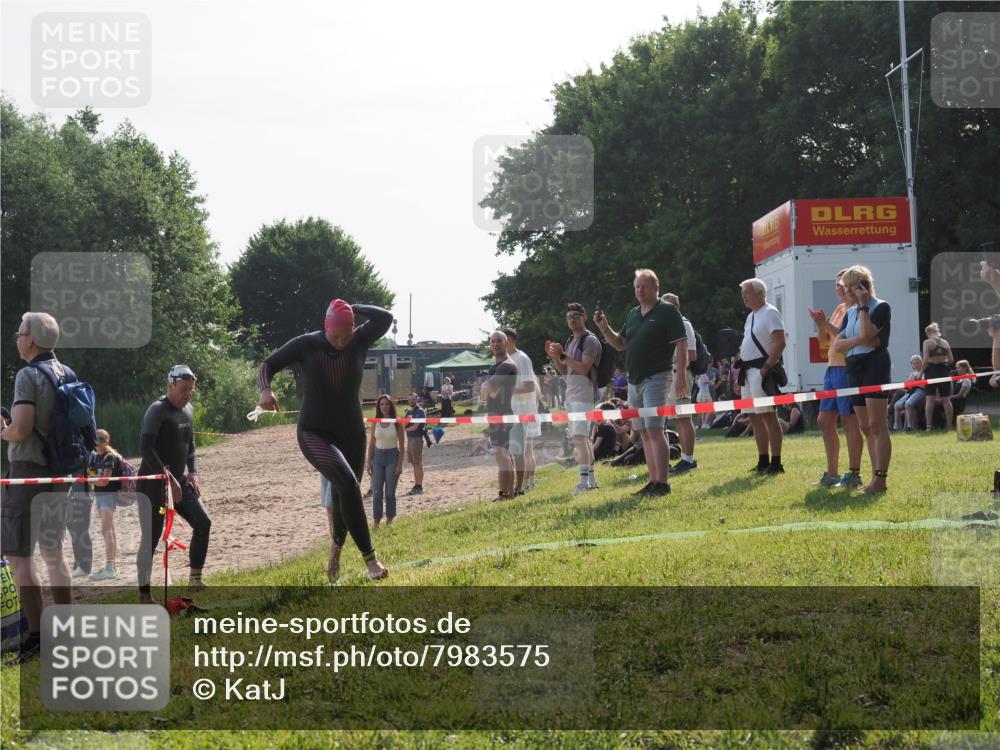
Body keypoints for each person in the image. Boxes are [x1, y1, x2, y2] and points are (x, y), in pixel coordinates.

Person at [258, 299, 390, 582]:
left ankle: (336, 549)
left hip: (352, 432)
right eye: (335, 336)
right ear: (325, 328)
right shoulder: (306, 344)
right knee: (346, 483)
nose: (341, 342)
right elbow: (267, 364)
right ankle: (371, 561)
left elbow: (385, 318)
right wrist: (265, 390)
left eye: (346, 335)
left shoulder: (359, 339)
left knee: (348, 492)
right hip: (314, 432)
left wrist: (354, 308)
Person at [0, 312, 78, 662]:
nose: (17, 338)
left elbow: (22, 429)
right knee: (54, 553)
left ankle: (37, 638)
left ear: (30, 340)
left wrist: (4, 430)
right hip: (60, 473)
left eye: (19, 333)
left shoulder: (27, 375)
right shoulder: (68, 373)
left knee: (19, 556)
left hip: (28, 470)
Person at [594, 269, 688, 497]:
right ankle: (653, 480)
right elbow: (620, 344)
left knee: (655, 430)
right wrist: (604, 327)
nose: (639, 290)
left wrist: (682, 376)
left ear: (656, 288)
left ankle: (663, 483)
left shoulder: (667, 311)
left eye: (643, 286)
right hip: (634, 381)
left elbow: (682, 344)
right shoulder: (634, 313)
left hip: (657, 377)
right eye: (636, 286)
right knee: (643, 433)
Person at [136, 365, 213, 603]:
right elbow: (145, 449)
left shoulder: (188, 410)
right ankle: (145, 594)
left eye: (190, 389)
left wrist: (193, 473)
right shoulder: (157, 410)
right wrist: (167, 477)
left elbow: (189, 446)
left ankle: (195, 579)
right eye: (183, 389)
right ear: (170, 386)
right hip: (154, 486)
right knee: (151, 537)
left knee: (203, 522)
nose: (187, 394)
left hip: (179, 482)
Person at [832, 265, 892, 494]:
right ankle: (875, 475)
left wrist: (864, 306)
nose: (846, 291)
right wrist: (859, 340)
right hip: (854, 367)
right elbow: (838, 346)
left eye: (850, 286)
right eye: (844, 286)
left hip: (874, 365)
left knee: (877, 424)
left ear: (863, 286)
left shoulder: (880, 307)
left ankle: (880, 478)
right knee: (865, 425)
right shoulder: (849, 313)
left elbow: (869, 336)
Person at [807, 271, 865, 489]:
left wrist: (826, 324)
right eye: (837, 286)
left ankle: (854, 473)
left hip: (845, 369)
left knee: (849, 421)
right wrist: (820, 324)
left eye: (842, 285)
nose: (839, 289)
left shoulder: (856, 310)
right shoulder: (840, 309)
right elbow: (824, 340)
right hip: (831, 369)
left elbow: (845, 337)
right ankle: (832, 474)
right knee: (824, 421)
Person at [546, 304, 603, 494]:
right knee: (583, 439)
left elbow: (583, 368)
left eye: (576, 316)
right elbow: (566, 371)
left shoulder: (590, 340)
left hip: (584, 395)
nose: (572, 320)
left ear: (584, 317)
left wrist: (563, 355)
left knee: (580, 439)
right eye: (569, 316)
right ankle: (591, 480)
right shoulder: (570, 340)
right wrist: (556, 358)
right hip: (572, 395)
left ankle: (583, 483)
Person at [737, 278, 787, 475]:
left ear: (759, 293)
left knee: (768, 416)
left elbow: (779, 342)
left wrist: (766, 368)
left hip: (761, 370)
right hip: (748, 372)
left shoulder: (770, 312)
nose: (744, 297)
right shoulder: (751, 316)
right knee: (754, 417)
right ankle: (763, 460)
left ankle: (776, 462)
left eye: (747, 293)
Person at [661, 293, 698, 475]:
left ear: (677, 306)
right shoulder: (668, 325)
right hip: (670, 374)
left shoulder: (684, 324)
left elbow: (692, 354)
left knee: (683, 418)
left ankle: (689, 459)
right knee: (676, 419)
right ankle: (686, 457)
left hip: (680, 373)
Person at [480, 331, 518, 501]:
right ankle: (508, 495)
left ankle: (504, 496)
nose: (495, 344)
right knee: (505, 456)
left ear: (506, 342)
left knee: (502, 457)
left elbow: (489, 388)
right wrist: (486, 389)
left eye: (499, 341)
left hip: (502, 416)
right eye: (493, 341)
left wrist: (485, 388)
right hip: (497, 415)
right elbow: (491, 392)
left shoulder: (507, 365)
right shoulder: (496, 366)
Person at [503, 328, 540, 495]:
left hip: (524, 410)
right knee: (521, 450)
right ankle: (527, 484)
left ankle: (525, 484)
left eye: (501, 340)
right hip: (512, 411)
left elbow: (530, 385)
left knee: (525, 451)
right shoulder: (506, 359)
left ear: (509, 340)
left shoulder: (522, 358)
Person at [366, 395, 405, 529]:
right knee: (376, 492)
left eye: (387, 404)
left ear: (391, 405)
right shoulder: (375, 421)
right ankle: (376, 522)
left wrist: (400, 464)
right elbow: (371, 443)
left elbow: (402, 444)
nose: (384, 406)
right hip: (377, 457)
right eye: (382, 404)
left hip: (392, 456)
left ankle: (389, 520)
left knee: (389, 492)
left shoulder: (397, 421)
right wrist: (368, 462)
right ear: (378, 406)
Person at [88, 429, 123, 580]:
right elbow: (91, 475)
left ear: (107, 441)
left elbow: (104, 481)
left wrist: (93, 479)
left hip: (108, 496)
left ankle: (110, 567)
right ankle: (111, 566)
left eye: (101, 439)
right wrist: (94, 479)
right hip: (100, 496)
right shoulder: (95, 457)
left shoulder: (110, 457)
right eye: (96, 439)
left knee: (107, 530)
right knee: (109, 530)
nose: (98, 441)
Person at [920, 322, 955, 431]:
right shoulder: (945, 342)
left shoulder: (927, 342)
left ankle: (929, 427)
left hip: (932, 371)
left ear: (928, 333)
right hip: (944, 370)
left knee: (930, 399)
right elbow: (951, 360)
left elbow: (925, 359)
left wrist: (920, 373)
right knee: (946, 399)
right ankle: (949, 426)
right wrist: (942, 360)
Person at [891, 355, 927, 432]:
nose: (916, 365)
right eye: (914, 364)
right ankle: (897, 427)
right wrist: (912, 382)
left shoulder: (924, 373)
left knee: (908, 404)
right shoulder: (911, 374)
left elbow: (924, 386)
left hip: (921, 391)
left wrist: (914, 382)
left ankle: (909, 426)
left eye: (918, 363)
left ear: (921, 363)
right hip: (911, 392)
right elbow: (908, 387)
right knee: (896, 406)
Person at [403, 394, 426, 495]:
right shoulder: (408, 412)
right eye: (409, 399)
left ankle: (419, 486)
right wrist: (406, 424)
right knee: (413, 463)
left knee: (418, 463)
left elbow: (416, 426)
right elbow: (404, 423)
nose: (411, 401)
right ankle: (416, 485)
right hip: (410, 438)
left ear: (417, 399)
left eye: (413, 399)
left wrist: (405, 429)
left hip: (417, 438)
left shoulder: (420, 411)